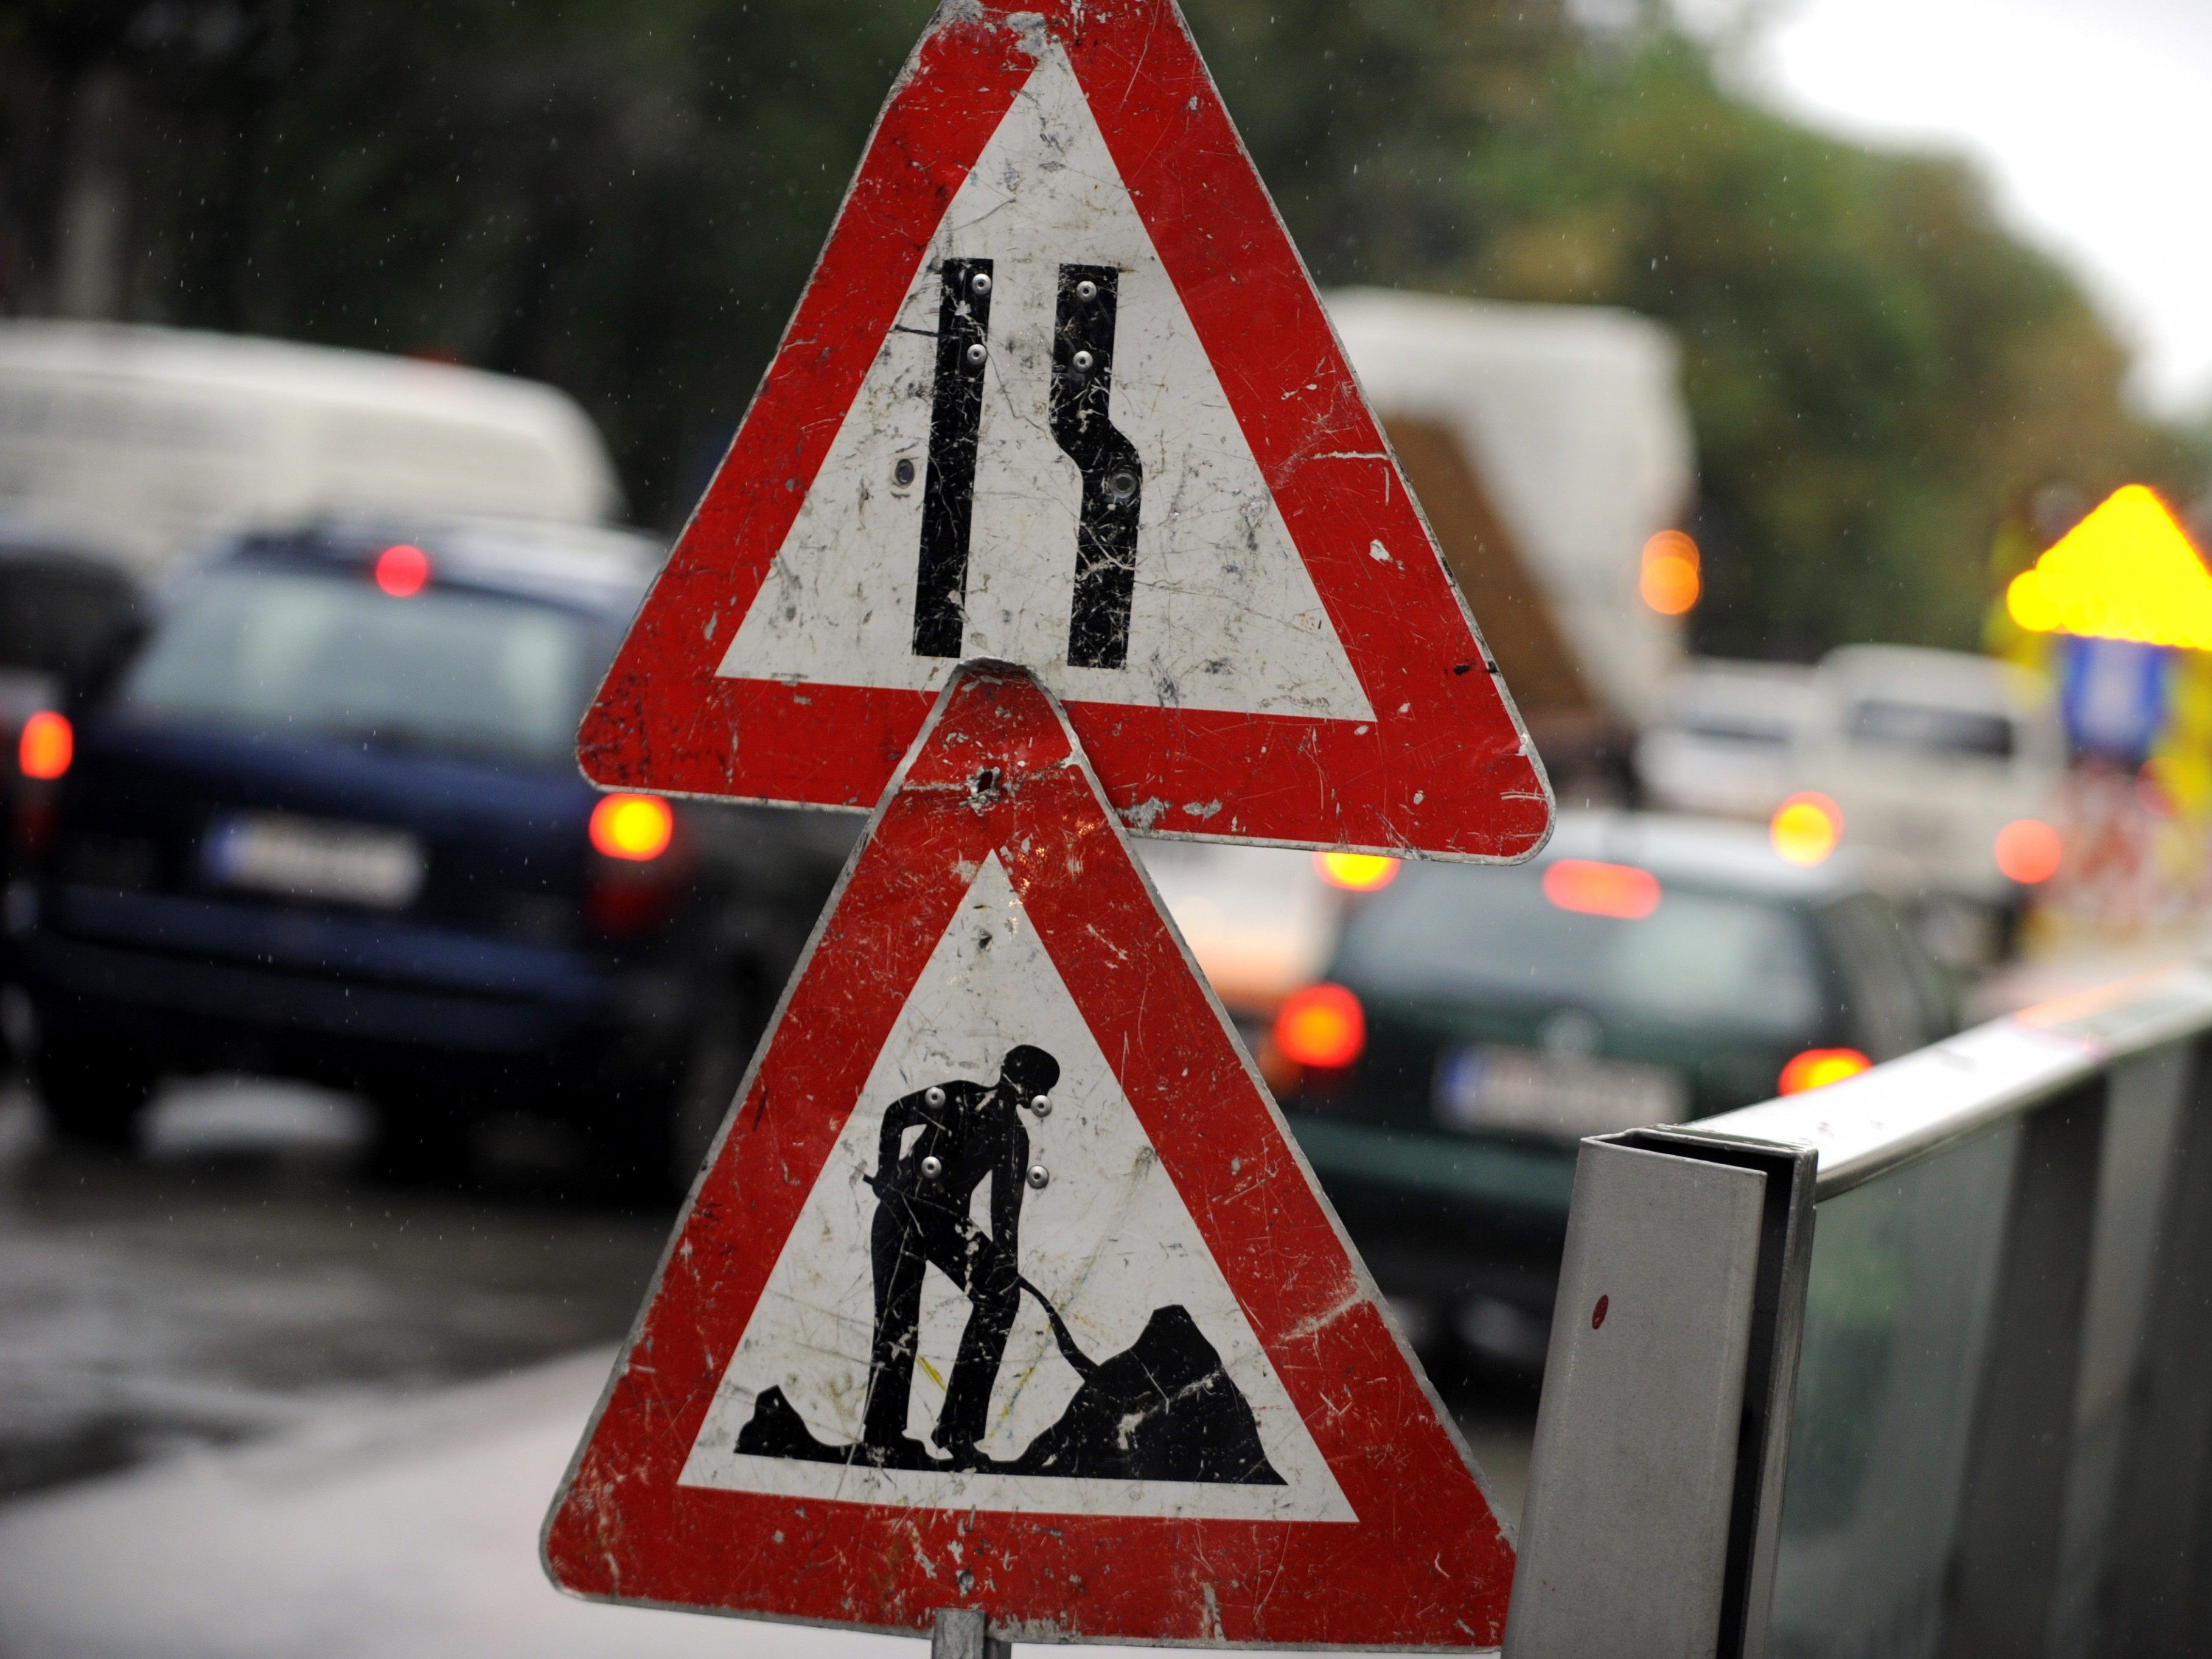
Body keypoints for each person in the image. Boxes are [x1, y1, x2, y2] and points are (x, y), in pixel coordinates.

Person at [861, 1044, 1059, 1469]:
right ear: (1032, 1092)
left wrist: (1005, 1268)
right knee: (899, 1323)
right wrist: (886, 1172)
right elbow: (896, 1114)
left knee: (1000, 1298)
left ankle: (956, 1430)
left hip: (941, 1224)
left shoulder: (1003, 1129)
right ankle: (883, 1438)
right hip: (903, 1211)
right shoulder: (966, 1101)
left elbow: (1005, 1215)